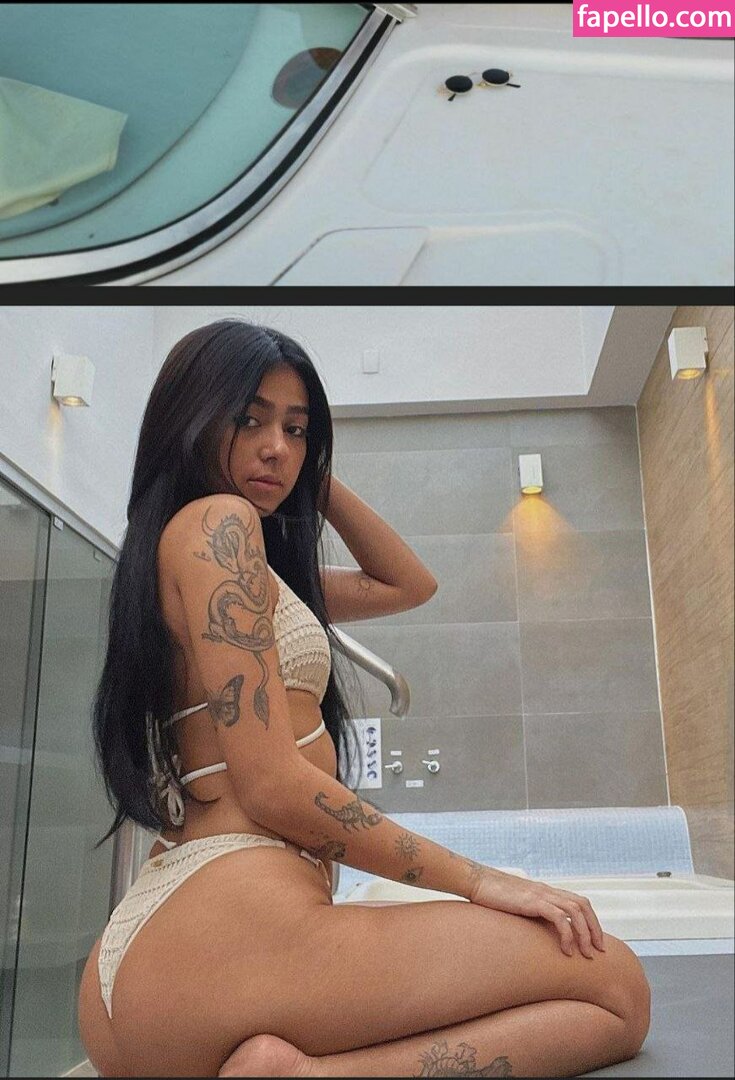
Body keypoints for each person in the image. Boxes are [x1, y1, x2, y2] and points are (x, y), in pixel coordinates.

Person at [78, 319, 651, 1077]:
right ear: (193, 418)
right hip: (231, 935)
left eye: (295, 428)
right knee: (615, 987)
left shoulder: (210, 558)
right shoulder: (219, 526)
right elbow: (271, 783)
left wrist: (311, 470)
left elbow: (407, 583)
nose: (275, 447)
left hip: (165, 958)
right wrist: (482, 880)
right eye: (248, 419)